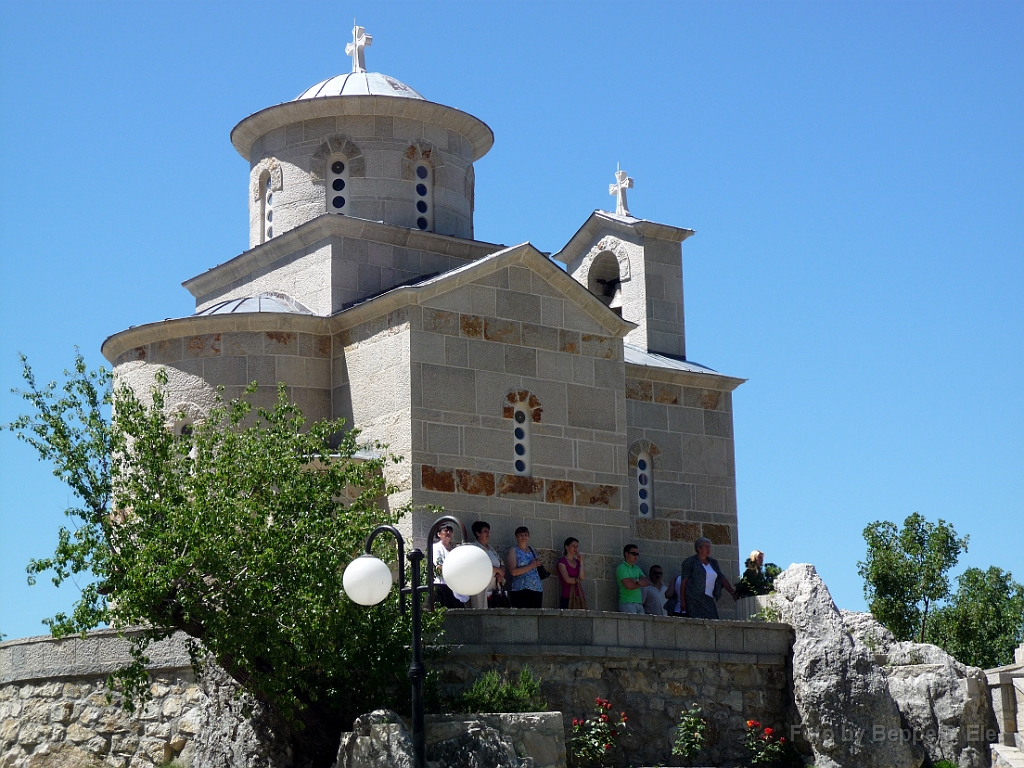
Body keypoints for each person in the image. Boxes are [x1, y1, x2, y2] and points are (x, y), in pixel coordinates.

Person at [679, 537, 737, 619]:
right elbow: (684, 582)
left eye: (709, 547)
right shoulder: (690, 562)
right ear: (699, 548)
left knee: (713, 622)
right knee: (697, 623)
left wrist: (732, 592)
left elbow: (721, 577)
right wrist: (683, 601)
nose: (708, 549)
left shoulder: (713, 562)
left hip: (708, 598)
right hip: (694, 599)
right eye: (706, 547)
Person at [468, 520, 505, 609]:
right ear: (478, 533)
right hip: (481, 587)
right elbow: (479, 564)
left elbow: (501, 563)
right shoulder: (474, 547)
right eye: (485, 531)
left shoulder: (491, 548)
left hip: (494, 587)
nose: (488, 534)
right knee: (481, 609)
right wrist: (498, 570)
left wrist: (502, 574)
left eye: (488, 531)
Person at [506, 526, 544, 608]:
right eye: (521, 535)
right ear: (516, 537)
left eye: (526, 535)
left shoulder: (532, 550)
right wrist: (531, 565)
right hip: (520, 588)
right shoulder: (513, 550)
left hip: (536, 588)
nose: (524, 537)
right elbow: (513, 572)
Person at [432, 523, 468, 609]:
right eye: (445, 530)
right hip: (442, 585)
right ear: (439, 534)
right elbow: (439, 567)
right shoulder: (436, 548)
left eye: (450, 531)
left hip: (454, 586)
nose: (448, 532)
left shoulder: (453, 550)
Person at [616, 544, 649, 614]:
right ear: (626, 554)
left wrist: (636, 581)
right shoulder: (622, 568)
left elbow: (646, 582)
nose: (636, 556)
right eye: (634, 554)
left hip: (639, 603)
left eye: (637, 554)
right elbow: (629, 586)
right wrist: (640, 582)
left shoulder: (637, 568)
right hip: (627, 603)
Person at [557, 537, 586, 609]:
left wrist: (581, 562)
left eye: (577, 546)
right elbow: (567, 579)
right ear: (566, 547)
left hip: (579, 595)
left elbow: (582, 577)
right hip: (567, 596)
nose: (575, 548)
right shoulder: (562, 562)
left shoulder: (577, 562)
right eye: (573, 546)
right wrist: (577, 580)